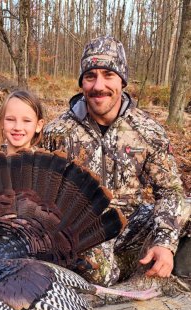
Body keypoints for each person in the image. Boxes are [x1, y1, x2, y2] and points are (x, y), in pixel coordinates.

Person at [41, 35, 189, 286]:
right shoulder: (57, 132)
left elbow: (170, 191)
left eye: (108, 74)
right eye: (90, 76)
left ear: (122, 80)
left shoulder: (147, 131)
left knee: (185, 210)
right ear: (82, 82)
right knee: (97, 265)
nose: (99, 85)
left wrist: (165, 242)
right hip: (80, 235)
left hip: (132, 227)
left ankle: (177, 288)